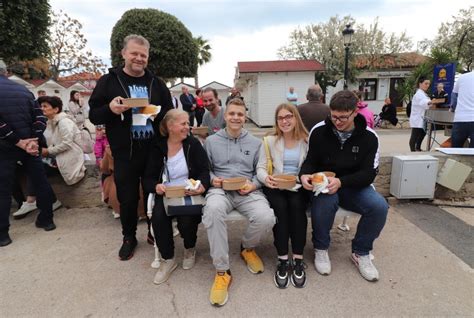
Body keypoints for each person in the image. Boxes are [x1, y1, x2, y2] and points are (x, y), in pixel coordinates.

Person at [89, 34, 173, 261]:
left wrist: (157, 113)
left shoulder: (156, 83)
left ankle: (153, 232)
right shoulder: (109, 81)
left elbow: (168, 111)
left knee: (153, 193)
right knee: (126, 197)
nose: (139, 58)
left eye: (143, 55)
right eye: (134, 53)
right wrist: (110, 109)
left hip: (152, 150)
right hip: (124, 151)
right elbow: (94, 113)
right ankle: (129, 237)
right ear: (124, 53)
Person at [299, 90, 388, 282]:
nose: (337, 121)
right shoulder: (319, 130)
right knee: (324, 203)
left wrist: (342, 182)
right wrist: (304, 174)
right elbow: (310, 160)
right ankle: (321, 249)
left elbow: (369, 173)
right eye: (333, 116)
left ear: (355, 112)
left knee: (379, 207)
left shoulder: (369, 137)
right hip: (324, 183)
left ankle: (361, 252)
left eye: (342, 117)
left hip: (353, 185)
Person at [202, 98, 275, 307]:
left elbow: (260, 171)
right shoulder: (211, 141)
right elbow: (203, 170)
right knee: (213, 211)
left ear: (245, 117)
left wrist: (253, 185)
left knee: (266, 216)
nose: (236, 117)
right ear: (225, 116)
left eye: (240, 114)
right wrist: (211, 179)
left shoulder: (255, 143)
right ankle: (222, 271)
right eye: (232, 113)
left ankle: (248, 248)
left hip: (246, 190)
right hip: (220, 189)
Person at [144, 109, 210, 284]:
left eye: (188, 123)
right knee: (158, 217)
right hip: (166, 193)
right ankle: (168, 259)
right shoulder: (157, 147)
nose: (188, 127)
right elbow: (148, 177)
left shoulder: (192, 144)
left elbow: (205, 170)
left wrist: (201, 186)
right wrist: (155, 186)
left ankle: (189, 248)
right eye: (184, 123)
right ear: (170, 126)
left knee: (187, 218)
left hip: (188, 191)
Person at [0, 61, 56, 246]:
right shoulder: (23, 90)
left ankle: (3, 234)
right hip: (29, 145)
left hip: (6, 147)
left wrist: (18, 141)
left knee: (3, 190)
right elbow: (40, 117)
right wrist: (32, 139)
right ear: (6, 72)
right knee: (40, 181)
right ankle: (47, 220)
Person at [256, 103, 309, 289]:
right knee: (281, 209)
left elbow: (312, 167)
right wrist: (266, 178)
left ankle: (298, 257)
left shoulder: (306, 140)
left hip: (298, 185)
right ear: (276, 121)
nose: (285, 121)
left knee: (297, 208)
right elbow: (261, 168)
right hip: (275, 185)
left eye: (289, 117)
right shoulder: (270, 140)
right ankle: (282, 259)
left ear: (295, 118)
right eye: (281, 118)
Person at [40, 96, 86, 185]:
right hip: (60, 156)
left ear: (56, 109)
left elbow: (67, 144)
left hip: (68, 158)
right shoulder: (52, 122)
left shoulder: (64, 122)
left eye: (45, 106)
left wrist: (48, 151)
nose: (42, 109)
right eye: (41, 106)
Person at [450, 71, 474, 148]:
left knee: (455, 150)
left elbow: (454, 95)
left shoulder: (462, 77)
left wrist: (453, 108)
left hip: (460, 119)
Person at [409, 77, 433, 151]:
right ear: (420, 84)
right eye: (426, 83)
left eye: (428, 84)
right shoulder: (419, 94)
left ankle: (418, 147)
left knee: (423, 133)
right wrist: (431, 102)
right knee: (415, 134)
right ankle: (413, 150)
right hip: (417, 118)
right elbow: (423, 102)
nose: (427, 85)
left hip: (422, 117)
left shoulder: (423, 94)